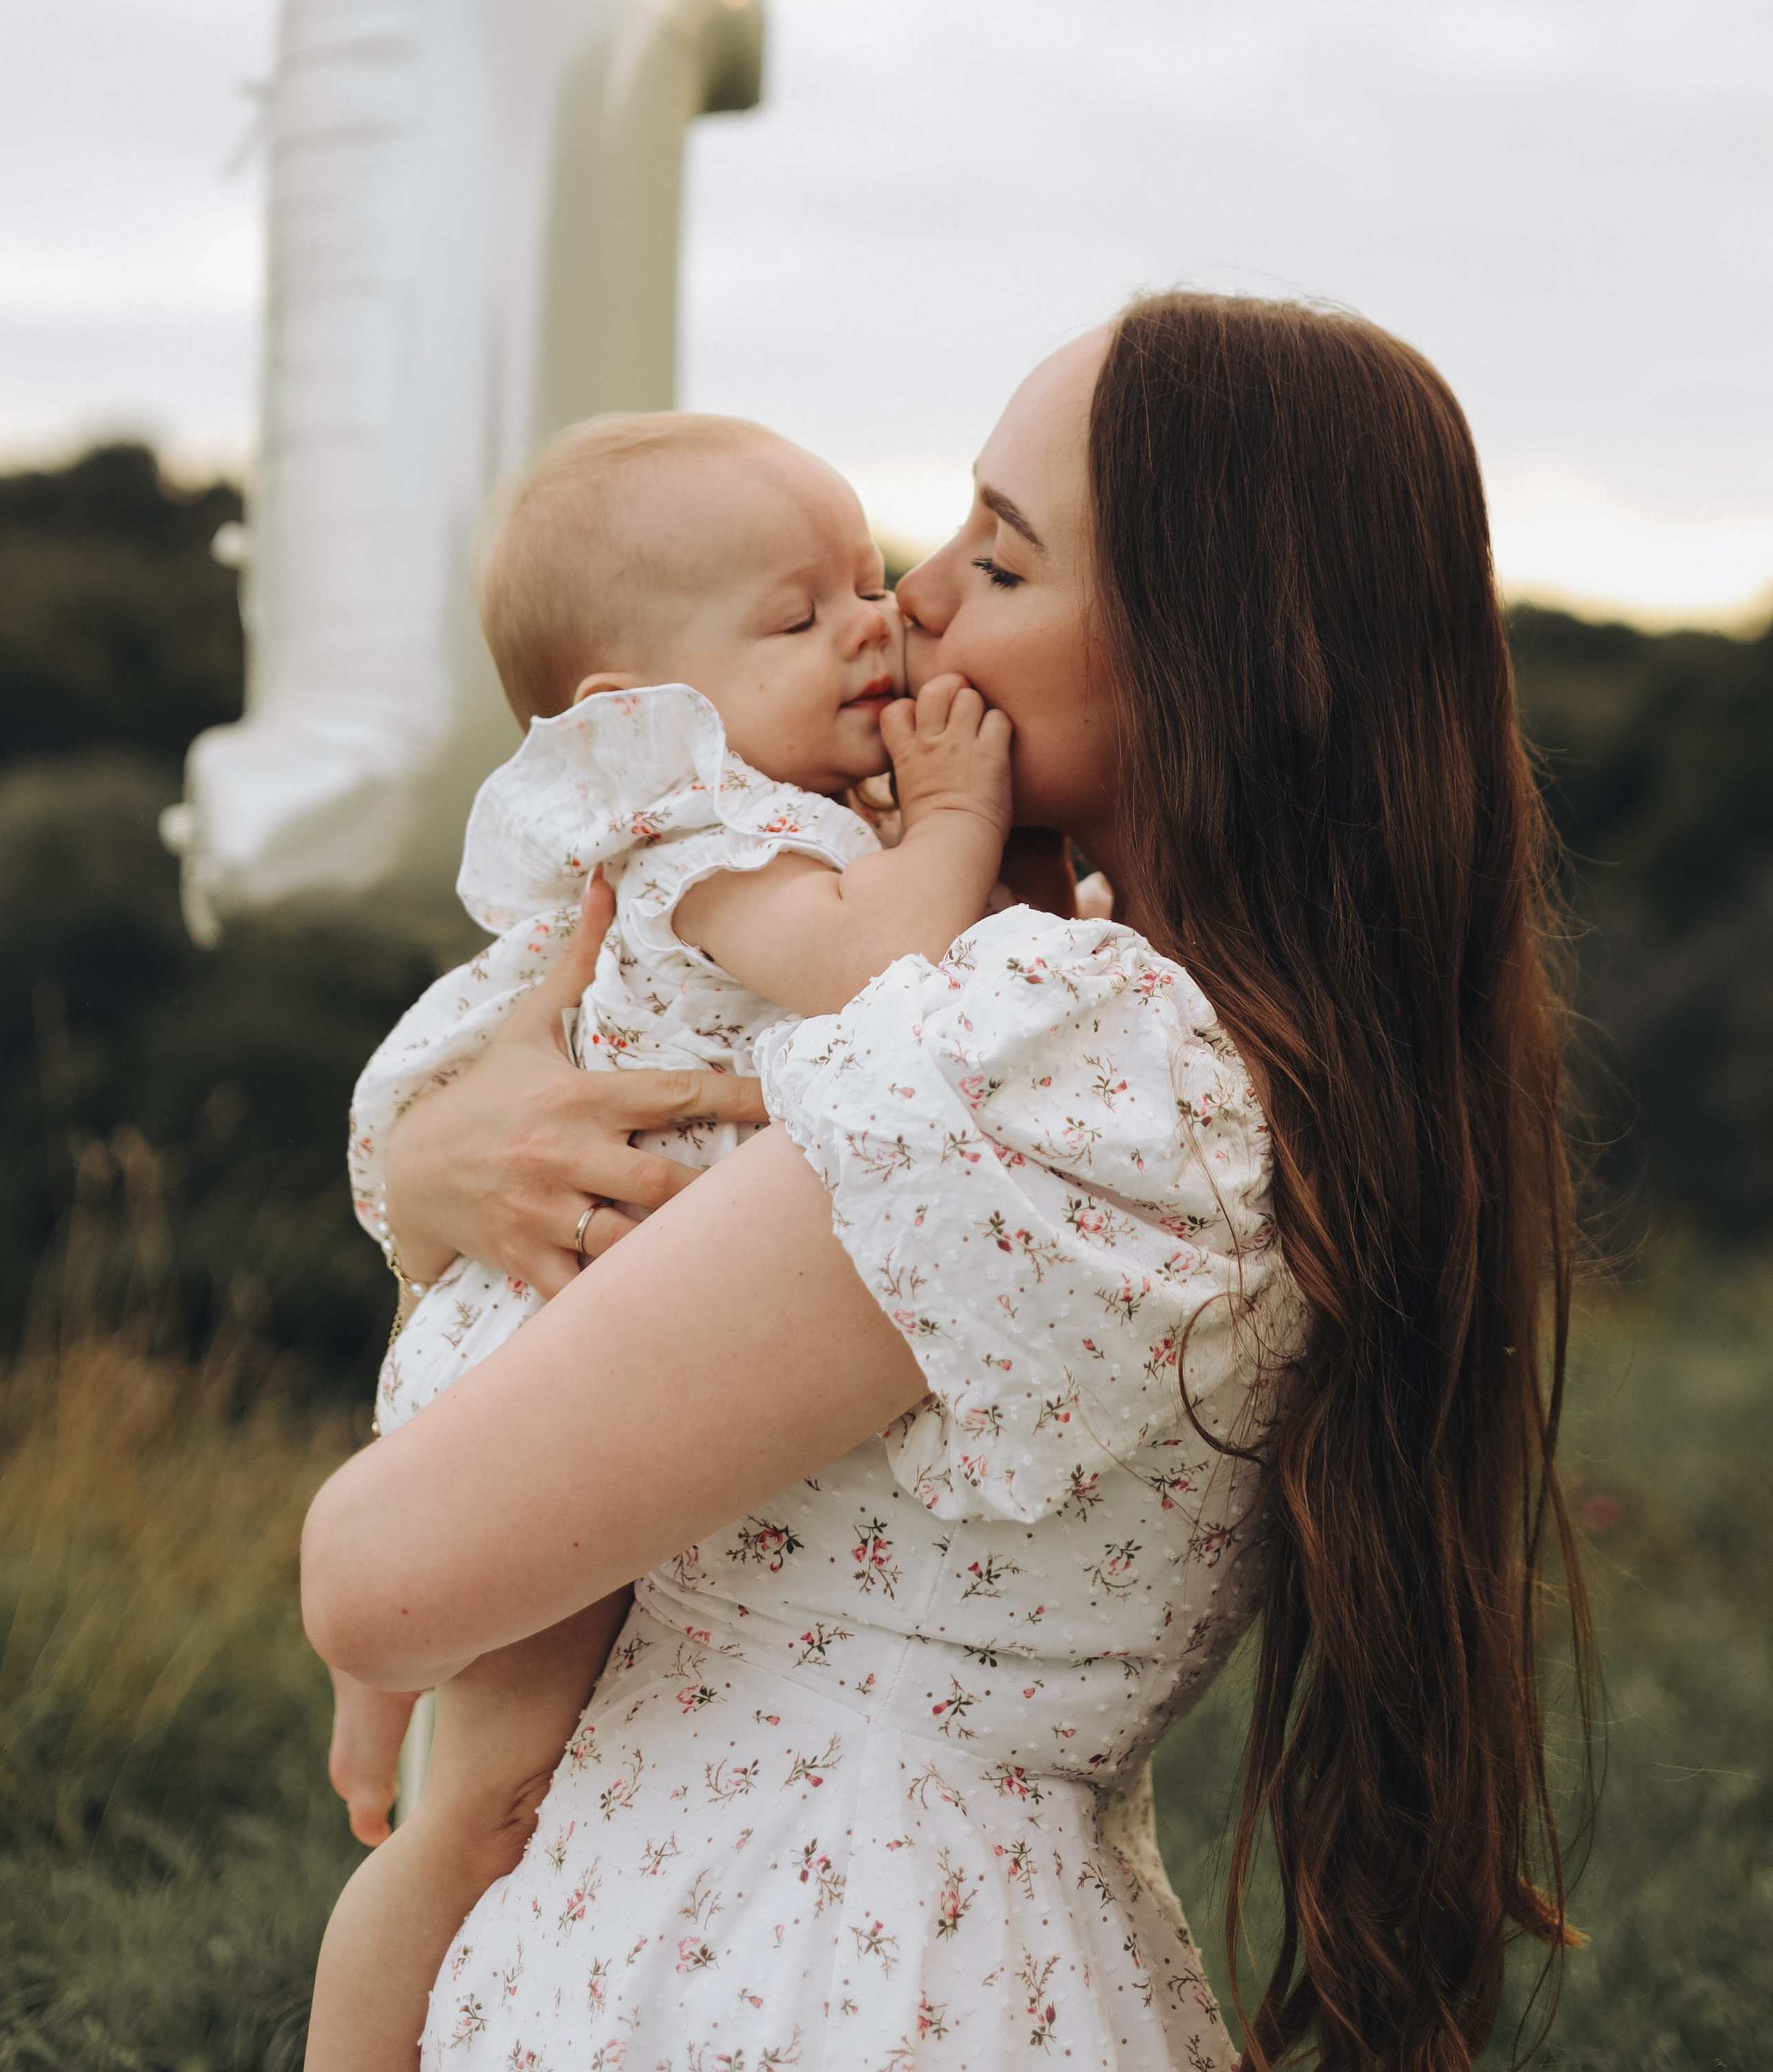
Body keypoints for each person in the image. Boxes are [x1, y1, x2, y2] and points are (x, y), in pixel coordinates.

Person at [303, 294, 1591, 2072]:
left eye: (998, 555)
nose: (910, 599)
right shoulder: (1163, 1033)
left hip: (794, 1956)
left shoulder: (1055, 1069)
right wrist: (446, 1169)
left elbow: (377, 1575)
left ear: (1201, 654)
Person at [310, 412, 1020, 2072]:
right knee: (481, 1811)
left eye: (860, 578)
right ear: (636, 714)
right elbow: (869, 965)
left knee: (506, 1765)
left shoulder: (784, 813)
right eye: (796, 615)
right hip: (554, 1369)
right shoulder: (700, 833)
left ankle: (394, 1689)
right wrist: (954, 819)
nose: (871, 623)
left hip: (605, 1355)